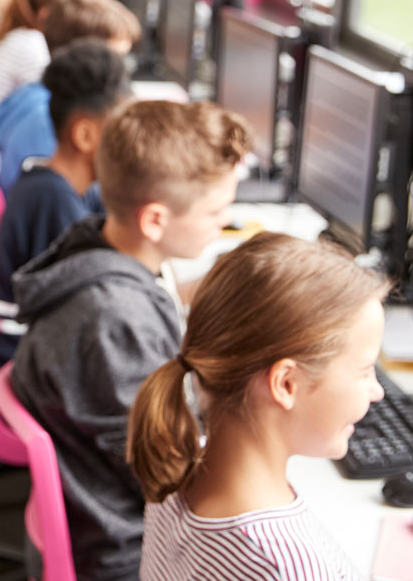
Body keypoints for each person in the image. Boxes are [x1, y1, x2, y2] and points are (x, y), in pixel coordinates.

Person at [9, 100, 251, 581]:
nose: (222, 225)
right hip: (128, 547)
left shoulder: (98, 244)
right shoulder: (114, 322)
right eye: (215, 212)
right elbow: (166, 474)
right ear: (156, 221)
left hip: (110, 512)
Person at [127, 234, 389, 581]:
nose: (378, 392)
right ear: (285, 384)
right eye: (365, 370)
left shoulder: (175, 466)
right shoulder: (290, 569)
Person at [0, 39, 132, 368]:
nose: (129, 143)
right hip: (22, 362)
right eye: (121, 130)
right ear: (85, 136)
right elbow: (90, 302)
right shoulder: (52, 202)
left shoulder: (52, 180)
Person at [0, 0, 140, 189]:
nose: (121, 75)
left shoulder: (35, 94)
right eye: (115, 59)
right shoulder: (48, 118)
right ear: (84, 56)